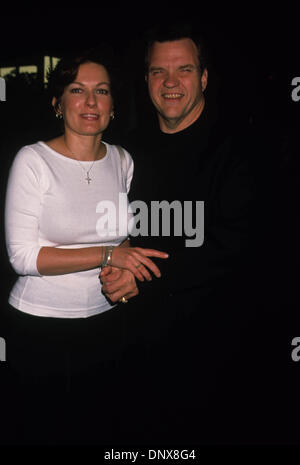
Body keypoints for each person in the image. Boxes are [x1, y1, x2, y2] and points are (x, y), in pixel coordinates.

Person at [99, 25, 260, 444]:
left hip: (215, 363)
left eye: (183, 69)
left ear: (203, 77)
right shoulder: (124, 151)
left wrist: (140, 272)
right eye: (158, 72)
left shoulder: (242, 148)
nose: (170, 82)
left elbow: (238, 247)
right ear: (147, 79)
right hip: (134, 357)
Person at [4, 47, 168, 444]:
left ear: (114, 105)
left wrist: (124, 267)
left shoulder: (123, 160)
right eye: (78, 90)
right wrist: (110, 255)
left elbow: (122, 235)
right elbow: (23, 257)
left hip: (108, 322)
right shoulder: (33, 161)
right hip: (39, 330)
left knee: (102, 431)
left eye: (103, 91)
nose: (91, 102)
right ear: (58, 103)